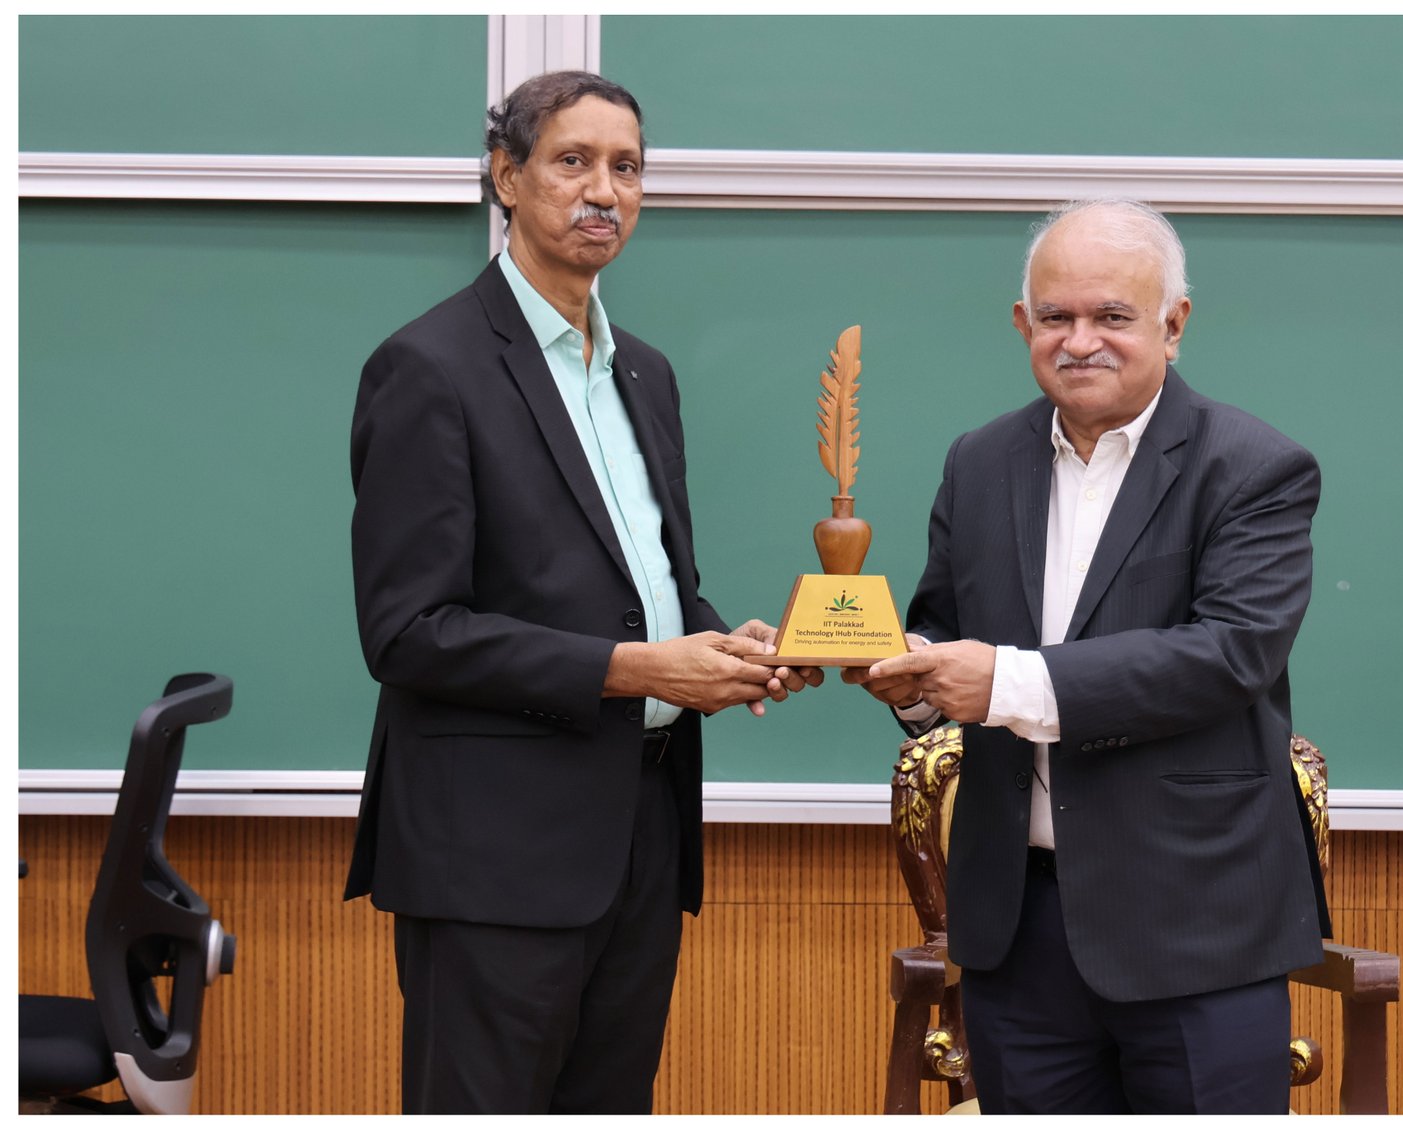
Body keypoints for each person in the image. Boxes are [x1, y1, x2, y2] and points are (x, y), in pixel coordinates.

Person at [343, 70, 820, 1114]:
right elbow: (409, 631)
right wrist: (637, 669)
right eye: (573, 162)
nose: (605, 191)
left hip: (641, 833)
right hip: (494, 854)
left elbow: (643, 586)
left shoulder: (644, 371)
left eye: (627, 168)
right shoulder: (429, 366)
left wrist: (721, 645)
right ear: (506, 177)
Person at [845, 198, 1331, 1114]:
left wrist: (1005, 680)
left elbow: (1230, 654)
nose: (1080, 341)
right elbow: (944, 632)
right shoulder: (978, 461)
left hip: (1196, 929)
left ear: (1173, 325)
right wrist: (909, 680)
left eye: (1112, 315)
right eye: (1056, 316)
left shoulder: (1255, 466)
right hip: (1018, 931)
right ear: (1021, 324)